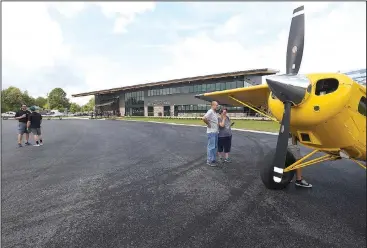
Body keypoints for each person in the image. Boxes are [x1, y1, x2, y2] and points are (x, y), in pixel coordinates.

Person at [202, 101, 219, 166]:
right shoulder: (210, 111)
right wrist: (208, 124)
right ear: (212, 105)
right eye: (216, 105)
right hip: (211, 132)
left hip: (215, 132)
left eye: (217, 105)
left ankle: (213, 159)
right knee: (211, 147)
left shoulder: (214, 112)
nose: (217, 106)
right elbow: (204, 118)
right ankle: (209, 161)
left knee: (214, 146)